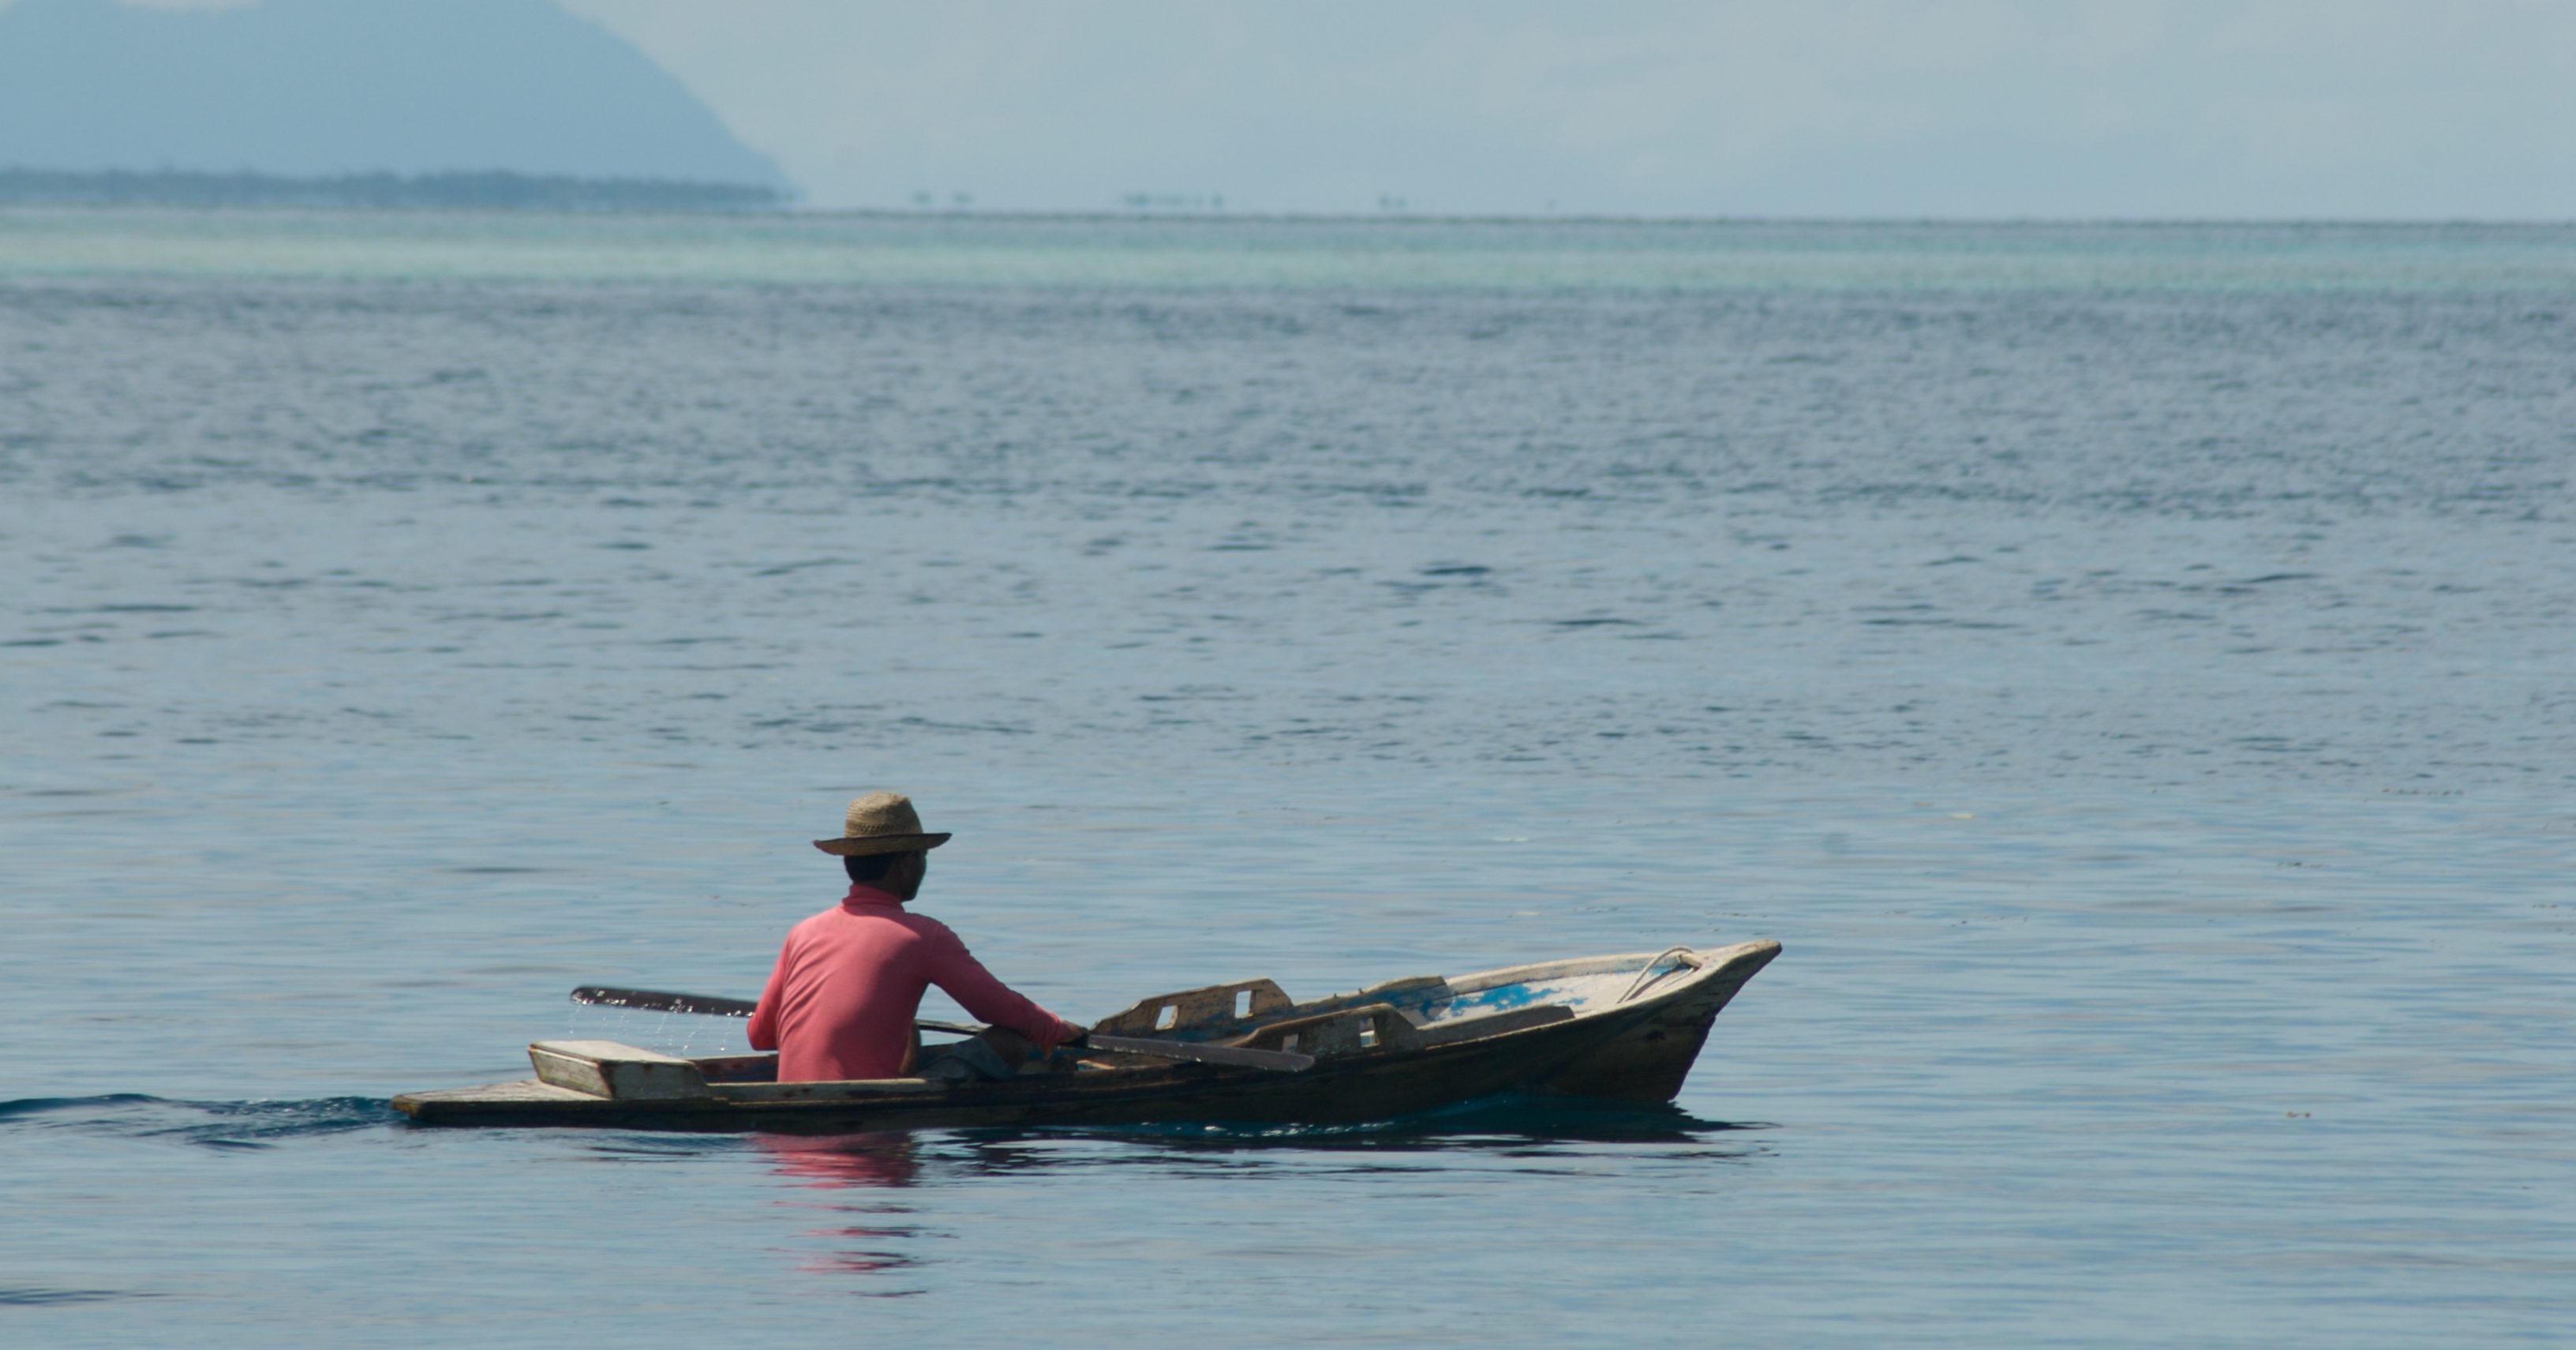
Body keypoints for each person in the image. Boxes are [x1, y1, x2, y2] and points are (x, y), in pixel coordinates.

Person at [747, 792, 1084, 1082]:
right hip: (871, 1115)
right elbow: (1002, 1009)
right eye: (922, 856)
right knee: (1010, 1041)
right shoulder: (923, 936)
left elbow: (761, 1036)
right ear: (906, 863)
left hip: (790, 1136)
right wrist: (1058, 1030)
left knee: (907, 1026)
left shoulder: (803, 932)